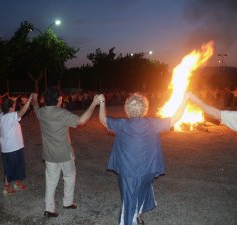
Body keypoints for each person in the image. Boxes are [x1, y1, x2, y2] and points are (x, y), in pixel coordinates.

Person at [98, 92, 189, 225]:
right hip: (147, 171)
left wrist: (102, 102)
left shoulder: (122, 124)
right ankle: (136, 216)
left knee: (128, 203)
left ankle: (130, 220)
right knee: (141, 192)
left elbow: (102, 119)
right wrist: (185, 99)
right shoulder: (152, 123)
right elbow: (175, 118)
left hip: (128, 173)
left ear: (127, 109)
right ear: (145, 109)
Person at [33, 87, 100, 218]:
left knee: (51, 181)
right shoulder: (61, 114)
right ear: (59, 99)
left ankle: (49, 209)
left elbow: (35, 107)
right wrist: (94, 103)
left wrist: (34, 99)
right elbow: (81, 121)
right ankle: (67, 202)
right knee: (69, 176)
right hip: (64, 154)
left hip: (49, 155)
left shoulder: (41, 112)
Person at [0, 94, 33, 195]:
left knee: (17, 166)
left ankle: (16, 183)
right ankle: (6, 187)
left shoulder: (2, 115)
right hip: (11, 148)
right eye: (13, 106)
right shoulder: (10, 116)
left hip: (14, 146)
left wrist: (12, 101)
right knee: (9, 168)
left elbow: (11, 109)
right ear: (10, 108)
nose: (14, 107)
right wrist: (29, 99)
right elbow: (22, 112)